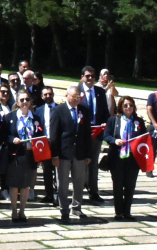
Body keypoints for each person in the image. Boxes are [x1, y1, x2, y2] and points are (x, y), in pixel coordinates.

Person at [50, 85, 92, 223]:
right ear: (67, 96)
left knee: (79, 182)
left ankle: (77, 207)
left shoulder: (84, 110)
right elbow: (54, 135)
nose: (77, 99)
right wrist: (54, 155)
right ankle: (64, 209)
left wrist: (88, 154)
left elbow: (87, 133)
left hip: (79, 153)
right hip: (63, 153)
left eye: (79, 96)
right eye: (74, 96)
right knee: (62, 183)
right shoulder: (58, 110)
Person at [1, 89, 42, 222]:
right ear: (18, 102)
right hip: (16, 155)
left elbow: (40, 136)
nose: (25, 102)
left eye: (27, 99)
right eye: (22, 100)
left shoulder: (36, 118)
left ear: (30, 102)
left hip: (31, 155)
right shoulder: (10, 117)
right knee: (14, 184)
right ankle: (14, 211)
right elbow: (4, 135)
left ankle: (22, 211)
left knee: (26, 185)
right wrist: (12, 139)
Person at [104, 96, 146, 220]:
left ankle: (127, 211)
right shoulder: (114, 120)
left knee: (130, 185)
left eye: (131, 105)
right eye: (126, 105)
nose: (128, 108)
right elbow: (106, 135)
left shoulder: (138, 121)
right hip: (117, 157)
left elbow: (143, 137)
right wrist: (114, 140)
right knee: (117, 185)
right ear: (121, 107)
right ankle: (118, 212)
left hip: (133, 159)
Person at [77, 66, 109, 204]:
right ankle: (78, 190)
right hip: (81, 134)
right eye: (87, 76)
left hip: (96, 132)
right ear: (82, 76)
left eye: (92, 76)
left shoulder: (100, 92)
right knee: (79, 162)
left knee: (93, 162)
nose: (90, 78)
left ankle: (93, 191)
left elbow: (105, 111)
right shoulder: (77, 91)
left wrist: (105, 124)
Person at [34, 87, 58, 206]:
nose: (48, 96)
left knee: (58, 170)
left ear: (53, 95)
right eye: (45, 94)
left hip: (57, 143)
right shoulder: (38, 110)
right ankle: (49, 194)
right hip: (44, 143)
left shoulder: (60, 108)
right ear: (42, 97)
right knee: (47, 171)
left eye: (50, 94)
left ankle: (58, 195)